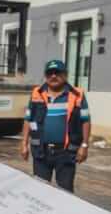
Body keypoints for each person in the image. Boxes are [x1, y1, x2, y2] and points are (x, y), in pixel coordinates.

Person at [20, 59, 90, 192]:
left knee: (65, 192)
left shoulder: (77, 94)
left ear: (65, 75)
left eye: (57, 73)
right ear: (45, 76)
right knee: (39, 190)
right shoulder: (37, 93)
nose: (53, 76)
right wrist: (24, 143)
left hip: (66, 153)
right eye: (49, 73)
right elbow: (28, 119)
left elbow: (85, 120)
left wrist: (84, 146)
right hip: (41, 152)